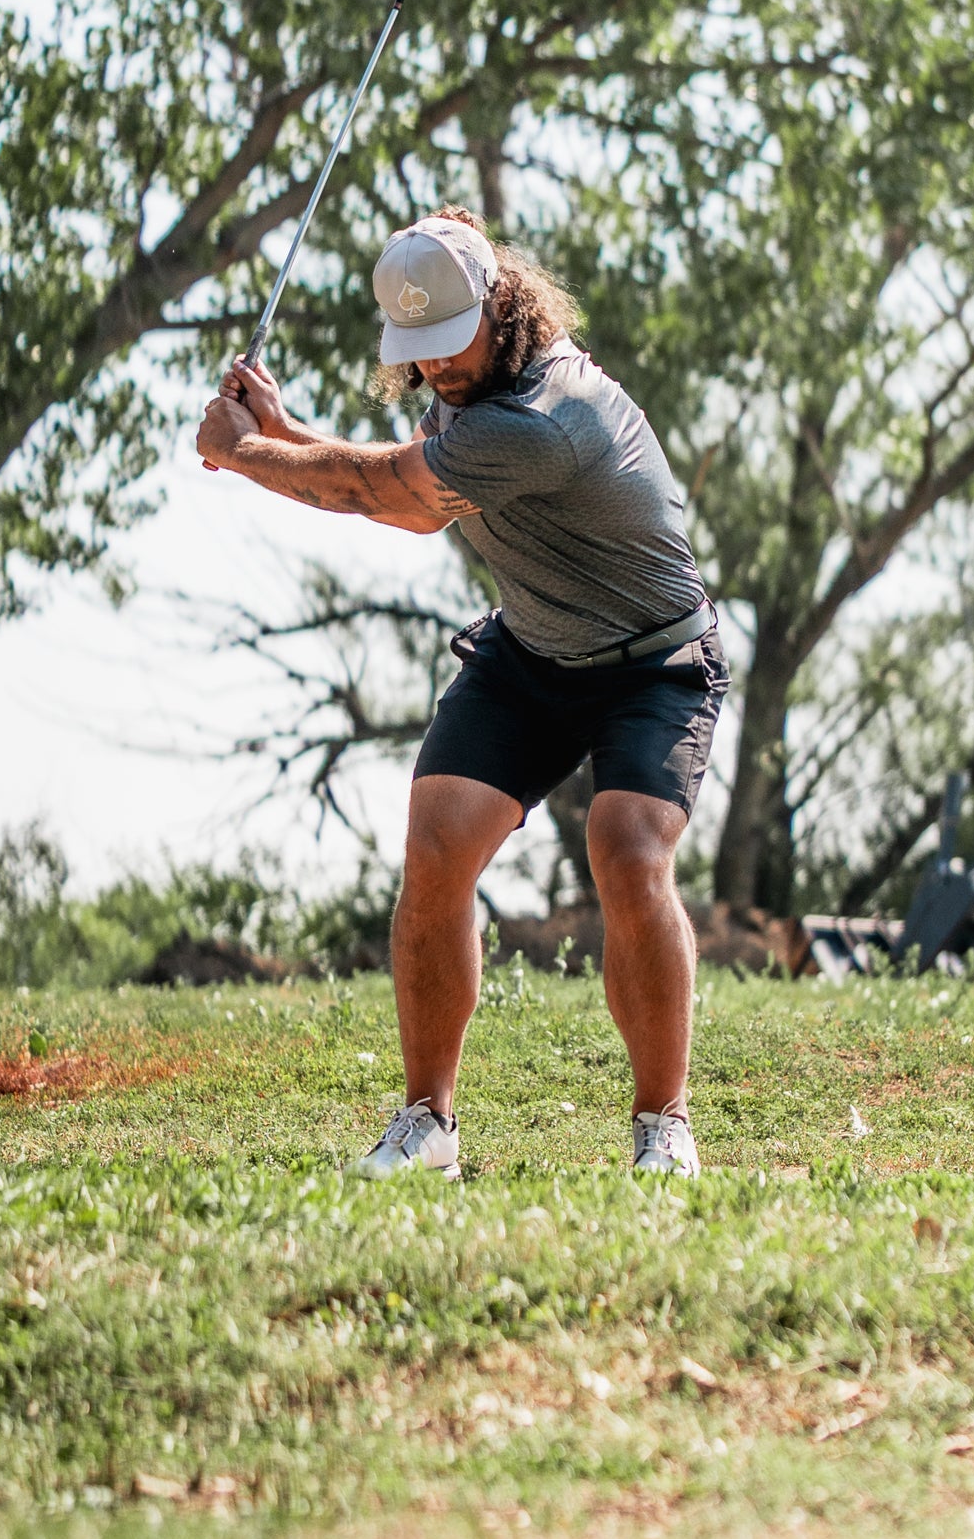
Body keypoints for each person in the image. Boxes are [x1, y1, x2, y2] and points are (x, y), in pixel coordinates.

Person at [194, 208, 726, 1182]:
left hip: (655, 664)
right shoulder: (472, 384)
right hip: (529, 651)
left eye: (448, 345)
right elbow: (403, 475)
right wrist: (278, 431)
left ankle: (664, 1125)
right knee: (436, 846)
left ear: (500, 305)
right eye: (418, 352)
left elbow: (391, 499)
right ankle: (427, 1124)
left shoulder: (546, 418)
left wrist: (245, 453)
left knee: (626, 850)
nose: (433, 369)